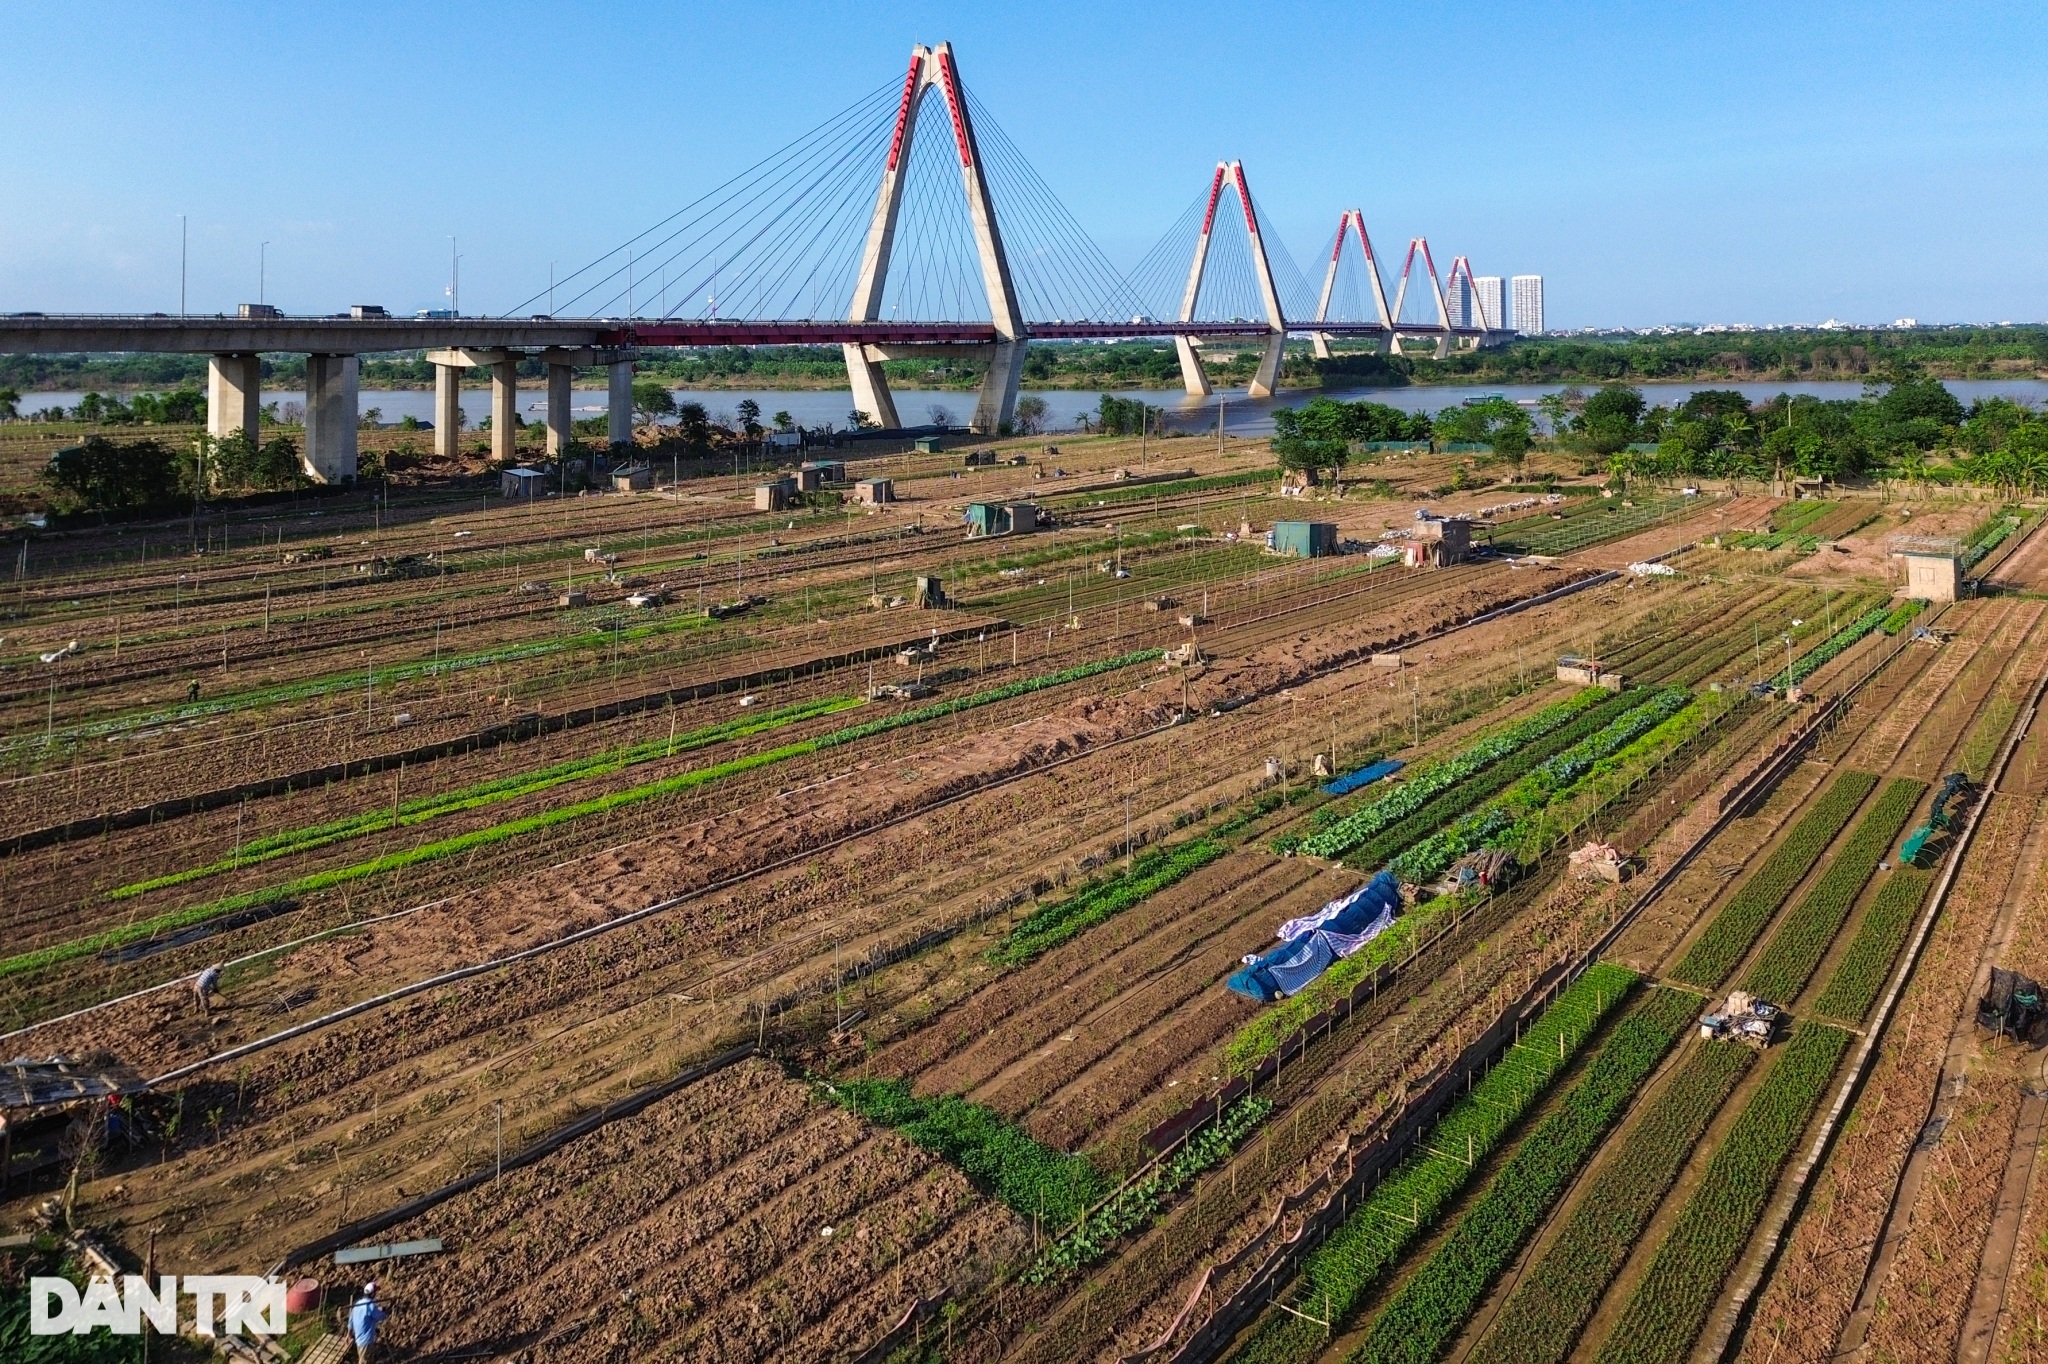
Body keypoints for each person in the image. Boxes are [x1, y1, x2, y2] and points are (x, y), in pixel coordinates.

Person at [347, 1281, 388, 1362]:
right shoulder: (370, 1307)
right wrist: (384, 1311)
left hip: (358, 1339)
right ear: (372, 1294)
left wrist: (348, 1334)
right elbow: (381, 1316)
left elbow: (351, 1320)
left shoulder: (357, 1304)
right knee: (364, 1361)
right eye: (375, 1292)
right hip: (366, 1341)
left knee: (365, 1359)